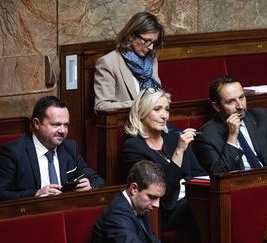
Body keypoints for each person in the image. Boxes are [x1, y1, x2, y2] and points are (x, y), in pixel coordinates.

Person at [121, 88, 207, 242]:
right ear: (142, 112)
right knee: (201, 206)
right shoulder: (133, 147)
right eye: (157, 109)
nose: (164, 116)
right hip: (164, 210)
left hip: (191, 199)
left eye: (167, 109)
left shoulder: (173, 134)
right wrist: (179, 151)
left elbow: (197, 172)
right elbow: (160, 191)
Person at [0, 96, 105, 201]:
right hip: (31, 215)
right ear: (37, 123)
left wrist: (90, 185)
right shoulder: (12, 152)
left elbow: (98, 180)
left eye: (65, 125)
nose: (62, 131)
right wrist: (36, 194)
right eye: (56, 125)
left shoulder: (70, 147)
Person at [94, 11, 164, 111]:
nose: (151, 47)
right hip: (128, 123)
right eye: (147, 41)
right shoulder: (108, 63)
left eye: (154, 42)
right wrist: (141, 104)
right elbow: (101, 106)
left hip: (154, 121)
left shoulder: (152, 61)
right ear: (131, 36)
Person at [92, 160, 166, 243]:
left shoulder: (138, 207)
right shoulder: (116, 214)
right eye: (152, 197)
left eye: (159, 198)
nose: (157, 205)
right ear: (133, 189)